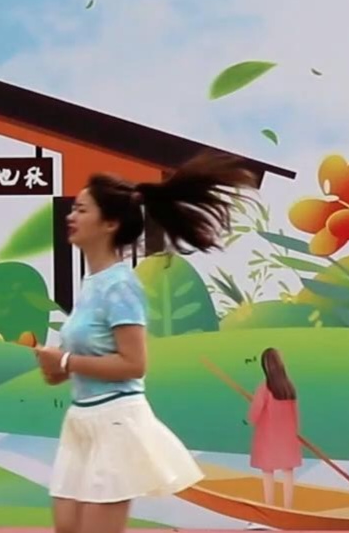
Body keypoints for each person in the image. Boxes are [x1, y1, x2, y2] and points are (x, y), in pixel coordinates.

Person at [33, 152, 256, 533]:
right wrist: (55, 367)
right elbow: (81, 362)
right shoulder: (92, 285)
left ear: (110, 223)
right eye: (73, 209)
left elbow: (134, 364)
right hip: (80, 422)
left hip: (115, 421)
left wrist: (66, 362)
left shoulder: (121, 285)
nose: (71, 216)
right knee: (67, 527)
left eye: (82, 210)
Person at [249, 347, 302, 508]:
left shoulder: (264, 388)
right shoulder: (289, 387)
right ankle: (288, 507)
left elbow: (255, 413)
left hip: (269, 437)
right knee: (288, 471)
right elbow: (295, 413)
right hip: (288, 437)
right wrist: (295, 431)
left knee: (268, 472)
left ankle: (270, 505)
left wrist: (250, 419)